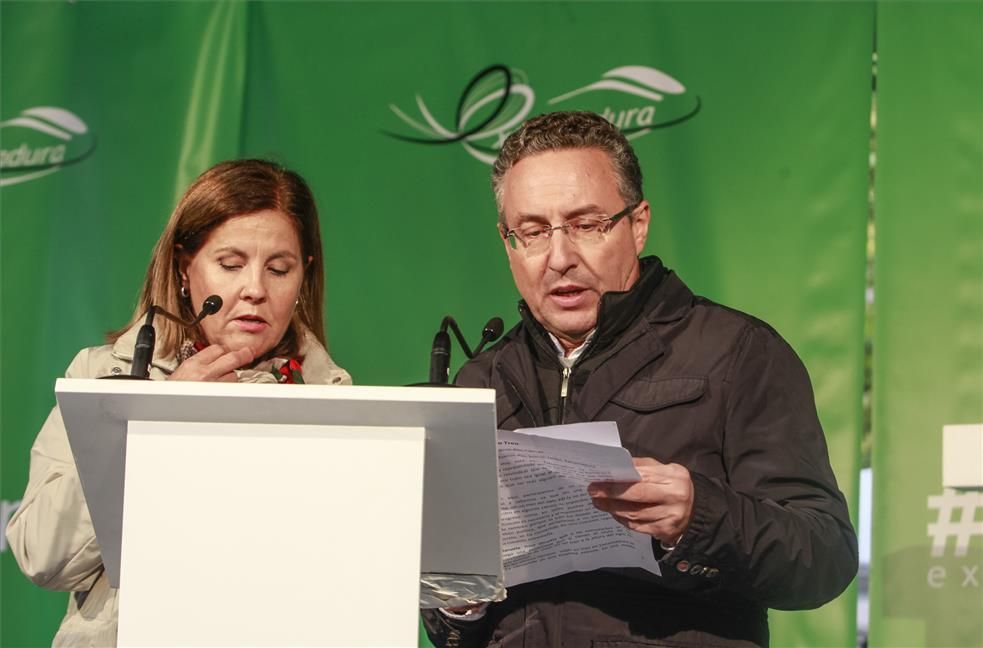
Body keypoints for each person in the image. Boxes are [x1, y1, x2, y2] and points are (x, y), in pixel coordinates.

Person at [422, 112, 857, 647]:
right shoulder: (478, 382)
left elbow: (825, 557)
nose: (559, 257)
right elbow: (450, 627)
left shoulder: (737, 353)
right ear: (507, 241)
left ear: (638, 222)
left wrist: (698, 516)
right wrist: (458, 597)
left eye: (586, 225)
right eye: (532, 233)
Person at [5, 159, 351, 647]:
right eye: (231, 265)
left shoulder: (338, 405)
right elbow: (43, 554)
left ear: (303, 277)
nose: (255, 288)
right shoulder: (103, 377)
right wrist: (149, 418)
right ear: (185, 269)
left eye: (279, 269)